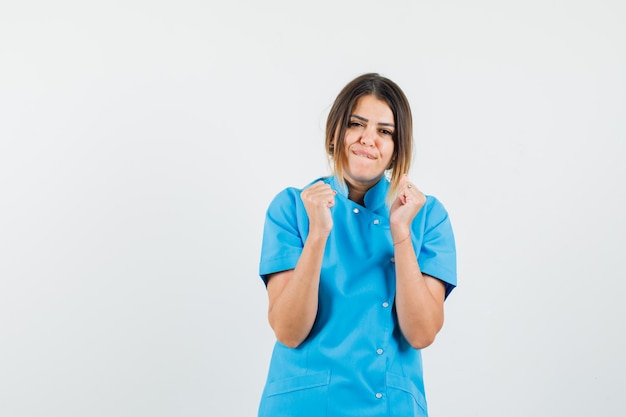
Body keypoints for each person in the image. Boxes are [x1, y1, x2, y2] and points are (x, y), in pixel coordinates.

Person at [257, 73, 457, 417]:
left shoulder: (427, 216)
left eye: (385, 131)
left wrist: (401, 234)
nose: (368, 139)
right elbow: (289, 331)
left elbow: (421, 333)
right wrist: (318, 233)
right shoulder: (291, 207)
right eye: (356, 124)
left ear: (397, 148)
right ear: (335, 133)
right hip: (303, 407)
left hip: (390, 407)